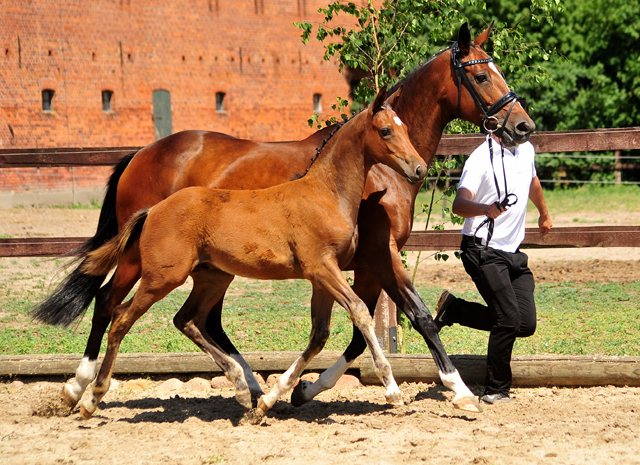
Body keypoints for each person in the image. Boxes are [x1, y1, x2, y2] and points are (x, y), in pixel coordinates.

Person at [433, 133, 552, 405]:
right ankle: (495, 389)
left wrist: (544, 212)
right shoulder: (479, 159)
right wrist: (486, 209)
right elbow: (459, 204)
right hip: (482, 249)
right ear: (498, 125)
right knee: (508, 318)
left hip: (512, 253)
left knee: (525, 323)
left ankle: (455, 309)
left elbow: (532, 180)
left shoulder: (526, 149)